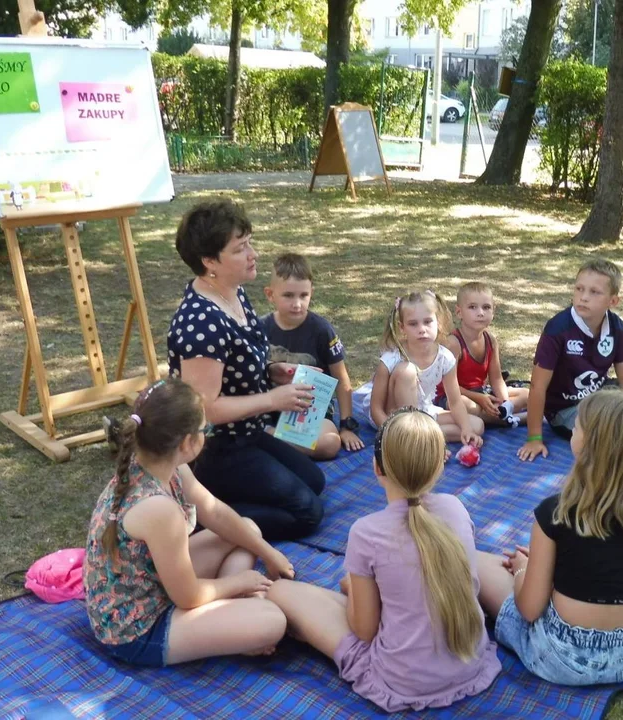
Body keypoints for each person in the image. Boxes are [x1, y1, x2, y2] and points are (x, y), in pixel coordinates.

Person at [266, 408, 501, 712]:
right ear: (441, 462)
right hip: (470, 664)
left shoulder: (366, 533)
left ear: (377, 468)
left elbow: (364, 630)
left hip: (403, 681)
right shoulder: (455, 508)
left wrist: (355, 590)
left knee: (281, 591)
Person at [84, 378, 293, 668]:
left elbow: (216, 513)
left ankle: (232, 617)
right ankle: (235, 619)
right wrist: (239, 582)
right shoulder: (159, 510)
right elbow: (187, 596)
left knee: (248, 529)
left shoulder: (160, 465)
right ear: (186, 442)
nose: (206, 435)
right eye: (204, 430)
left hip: (154, 583)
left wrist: (267, 551)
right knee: (272, 621)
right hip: (136, 630)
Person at [478, 390, 623, 686]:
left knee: (475, 561)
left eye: (578, 426)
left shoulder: (557, 512)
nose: (573, 429)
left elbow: (530, 609)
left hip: (564, 656)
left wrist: (521, 570)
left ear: (591, 444)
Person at [168, 199, 326, 541]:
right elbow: (204, 410)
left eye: (249, 243)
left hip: (246, 434)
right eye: (240, 249)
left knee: (315, 481)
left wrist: (270, 371)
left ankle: (220, 502)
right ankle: (199, 517)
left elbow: (238, 362)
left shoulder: (232, 292)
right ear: (210, 261)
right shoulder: (200, 323)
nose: (252, 254)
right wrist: (272, 399)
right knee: (307, 513)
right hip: (213, 449)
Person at [517, 258, 623, 462]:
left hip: (603, 397)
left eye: (594, 292)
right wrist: (534, 438)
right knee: (607, 441)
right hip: (567, 408)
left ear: (613, 301)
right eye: (579, 289)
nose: (583, 297)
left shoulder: (616, 327)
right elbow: (537, 387)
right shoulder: (557, 329)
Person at [261, 253, 364, 459]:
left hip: (311, 412)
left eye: (303, 295)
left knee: (330, 443)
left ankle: (267, 440)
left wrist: (345, 425)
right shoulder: (260, 328)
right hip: (270, 409)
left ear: (311, 293)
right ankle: (277, 441)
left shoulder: (321, 330)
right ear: (270, 294)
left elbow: (341, 380)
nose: (297, 303)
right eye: (288, 295)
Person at [353, 290, 484, 448]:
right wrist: (388, 431)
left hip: (423, 410)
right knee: (407, 371)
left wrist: (466, 429)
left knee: (476, 425)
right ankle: (415, 438)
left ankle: (424, 438)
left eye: (428, 321)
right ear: (402, 328)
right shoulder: (392, 359)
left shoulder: (445, 357)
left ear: (439, 322)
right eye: (413, 324)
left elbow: (455, 402)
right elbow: (376, 409)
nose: (422, 329)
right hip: (393, 417)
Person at [437, 281, 529, 426]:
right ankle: (518, 419)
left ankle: (505, 413)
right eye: (472, 307)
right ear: (459, 312)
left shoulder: (490, 340)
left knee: (527, 394)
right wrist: (478, 398)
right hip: (454, 396)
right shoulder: (454, 343)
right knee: (469, 407)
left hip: (482, 391)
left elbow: (497, 379)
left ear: (493, 311)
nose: (480, 313)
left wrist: (504, 402)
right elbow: (450, 386)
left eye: (486, 307)